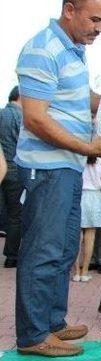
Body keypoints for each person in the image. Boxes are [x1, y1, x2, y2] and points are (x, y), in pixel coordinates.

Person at [14, 0, 101, 357]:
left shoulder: (75, 52)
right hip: (48, 168)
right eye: (94, 19)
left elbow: (79, 98)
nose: (99, 28)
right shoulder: (43, 48)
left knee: (63, 250)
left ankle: (53, 323)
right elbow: (36, 119)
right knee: (43, 251)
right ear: (69, 9)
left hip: (69, 168)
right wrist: (87, 146)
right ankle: (32, 336)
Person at [72, 156, 101, 282]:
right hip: (95, 198)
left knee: (77, 237)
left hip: (78, 196)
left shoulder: (78, 160)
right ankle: (85, 272)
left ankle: (76, 272)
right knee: (90, 237)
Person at [0, 86, 22, 268]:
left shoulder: (1, 113)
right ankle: (12, 256)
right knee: (15, 214)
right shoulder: (19, 117)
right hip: (14, 170)